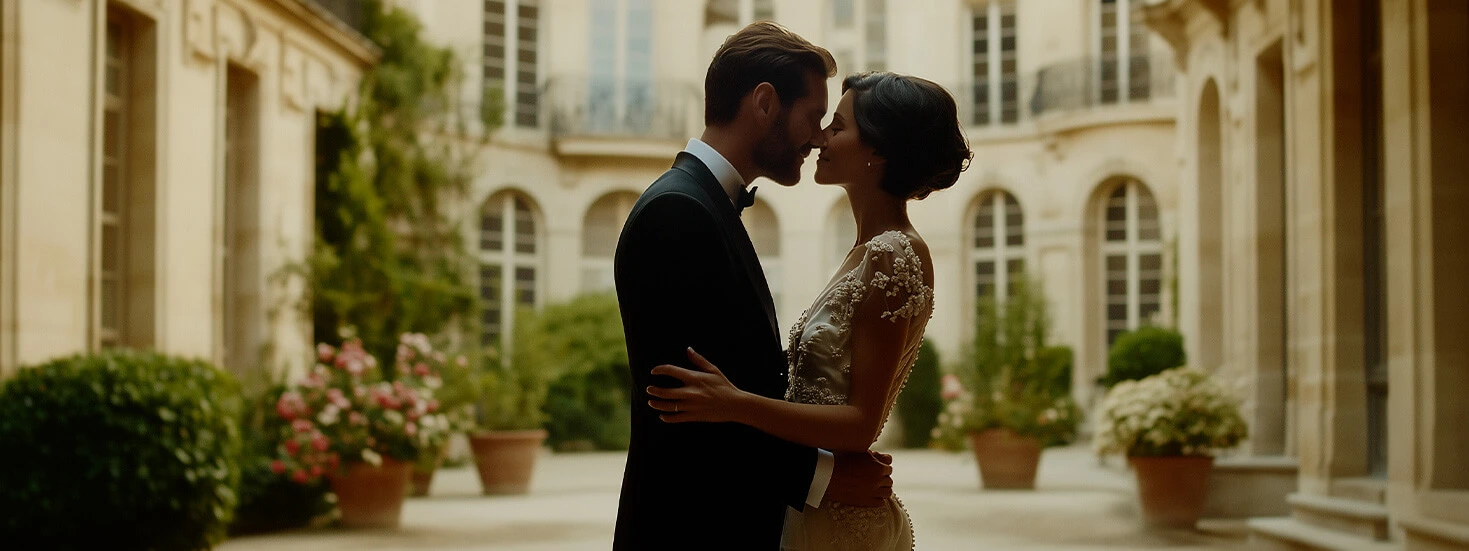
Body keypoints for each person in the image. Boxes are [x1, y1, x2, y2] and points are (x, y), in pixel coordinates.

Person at [645, 71, 974, 550]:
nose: (820, 136)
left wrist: (734, 404)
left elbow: (862, 422)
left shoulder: (894, 254)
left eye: (836, 127)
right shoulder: (866, 251)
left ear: (878, 151)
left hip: (840, 523)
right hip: (815, 507)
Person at [612, 22, 897, 551]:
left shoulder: (707, 205)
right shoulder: (679, 211)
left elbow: (732, 391)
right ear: (765, 102)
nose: (818, 138)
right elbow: (684, 403)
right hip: (690, 528)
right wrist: (820, 477)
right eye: (813, 117)